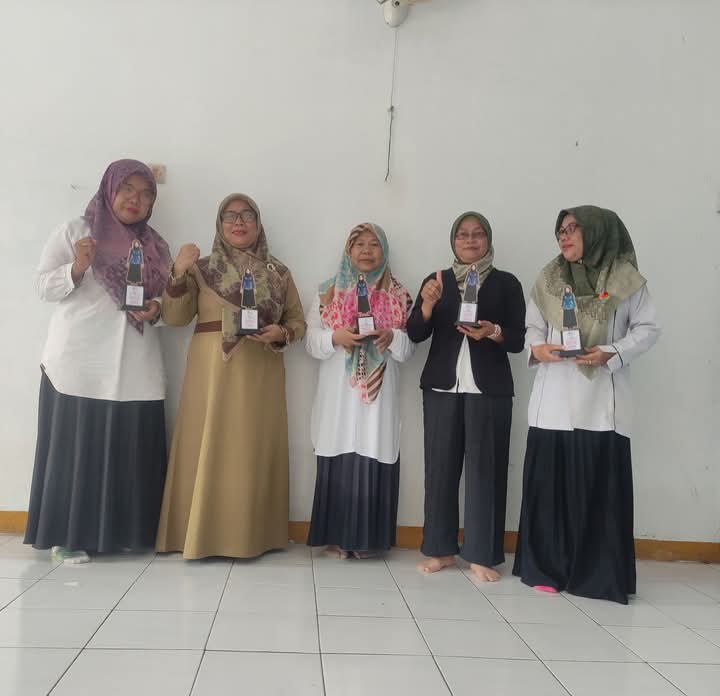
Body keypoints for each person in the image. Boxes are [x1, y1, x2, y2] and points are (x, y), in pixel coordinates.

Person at [24, 159, 172, 563]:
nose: (135, 199)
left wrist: (157, 309)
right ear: (109, 189)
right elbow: (42, 285)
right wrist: (76, 268)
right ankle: (67, 536)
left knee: (129, 445)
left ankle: (126, 535)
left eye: (146, 194)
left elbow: (168, 301)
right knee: (77, 450)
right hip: (80, 361)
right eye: (127, 189)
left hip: (135, 361)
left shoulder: (156, 247)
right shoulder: (77, 231)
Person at [512, 205, 661, 604]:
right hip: (553, 398)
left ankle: (596, 575)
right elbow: (532, 327)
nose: (564, 236)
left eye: (573, 228)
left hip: (602, 403)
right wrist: (537, 348)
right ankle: (545, 568)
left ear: (598, 232)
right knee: (550, 488)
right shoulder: (549, 278)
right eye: (561, 230)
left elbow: (648, 329)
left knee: (598, 491)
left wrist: (613, 351)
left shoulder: (626, 280)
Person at [156, 193, 305, 559]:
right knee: (206, 442)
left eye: (247, 215)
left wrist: (282, 333)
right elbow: (175, 318)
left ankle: (252, 536)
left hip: (259, 373)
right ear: (220, 224)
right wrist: (177, 272)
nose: (239, 222)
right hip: (211, 374)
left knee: (251, 447)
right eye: (230, 216)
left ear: (258, 223)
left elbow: (297, 321)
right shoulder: (200, 268)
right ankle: (197, 535)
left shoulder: (279, 272)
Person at [406, 211, 526, 581]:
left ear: (488, 240)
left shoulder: (506, 283)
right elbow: (415, 333)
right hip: (442, 386)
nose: (470, 240)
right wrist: (427, 305)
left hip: (489, 389)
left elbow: (518, 340)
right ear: (453, 241)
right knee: (439, 470)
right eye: (462, 234)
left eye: (477, 234)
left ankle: (481, 553)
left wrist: (493, 331)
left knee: (486, 471)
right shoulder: (437, 281)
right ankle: (440, 550)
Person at [306, 224, 414, 559]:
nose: (366, 251)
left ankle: (369, 541)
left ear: (384, 251)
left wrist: (392, 337)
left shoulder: (399, 295)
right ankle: (335, 538)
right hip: (338, 392)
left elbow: (409, 349)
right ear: (348, 251)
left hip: (378, 397)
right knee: (338, 453)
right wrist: (334, 337)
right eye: (359, 244)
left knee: (372, 452)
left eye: (374, 245)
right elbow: (310, 342)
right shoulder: (327, 293)